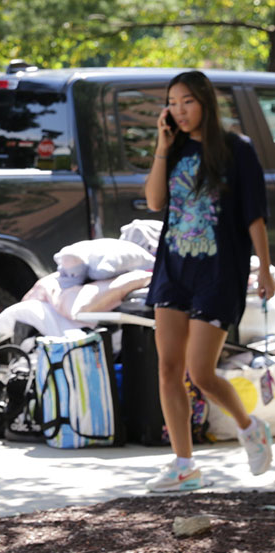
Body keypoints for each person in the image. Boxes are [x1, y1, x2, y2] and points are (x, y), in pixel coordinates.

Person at [141, 70, 275, 492]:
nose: (179, 111)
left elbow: (254, 214)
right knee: (168, 368)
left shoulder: (237, 149)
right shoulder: (174, 147)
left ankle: (249, 427)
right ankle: (184, 466)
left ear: (205, 103)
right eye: (173, 102)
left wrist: (265, 268)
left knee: (201, 372)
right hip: (174, 269)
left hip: (219, 273)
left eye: (188, 102)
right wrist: (162, 147)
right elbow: (154, 201)